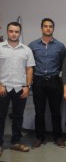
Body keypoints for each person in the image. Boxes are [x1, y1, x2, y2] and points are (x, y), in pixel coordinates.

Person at [29, 18, 66, 148]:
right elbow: (29, 65)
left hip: (54, 82)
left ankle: (58, 137)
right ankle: (39, 137)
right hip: (38, 82)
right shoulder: (32, 45)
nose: (48, 28)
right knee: (39, 112)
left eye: (50, 26)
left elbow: (63, 64)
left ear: (53, 29)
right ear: (41, 28)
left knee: (56, 112)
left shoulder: (60, 46)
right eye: (45, 26)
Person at [0, 22, 35, 155]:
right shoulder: (0, 48)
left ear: (20, 33)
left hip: (20, 88)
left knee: (18, 116)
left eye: (16, 31)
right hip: (3, 88)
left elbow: (29, 68)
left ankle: (16, 142)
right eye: (11, 31)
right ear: (7, 32)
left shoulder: (26, 50)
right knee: (0, 117)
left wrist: (27, 86)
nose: (14, 34)